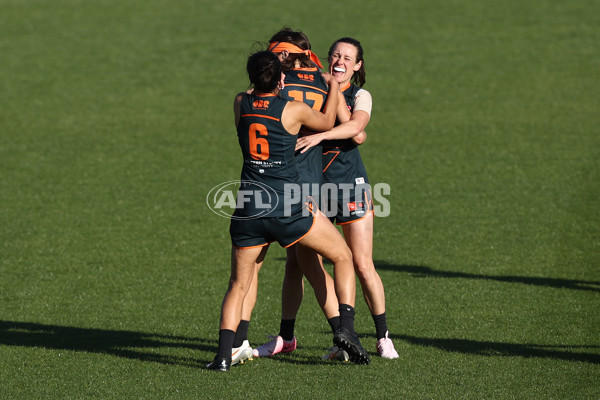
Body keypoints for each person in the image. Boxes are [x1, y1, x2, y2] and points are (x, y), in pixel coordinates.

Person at [207, 51, 370, 372]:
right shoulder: (292, 110)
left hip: (249, 207)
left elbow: (252, 95)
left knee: (238, 284)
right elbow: (325, 122)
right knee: (342, 256)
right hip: (288, 207)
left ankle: (223, 356)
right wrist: (333, 86)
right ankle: (345, 328)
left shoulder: (240, 102)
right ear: (281, 79)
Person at [236, 28, 344, 361]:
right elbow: (342, 124)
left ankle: (244, 340)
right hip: (302, 186)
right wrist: (337, 88)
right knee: (304, 266)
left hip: (269, 191)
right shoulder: (316, 85)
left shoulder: (258, 93)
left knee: (260, 269)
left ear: (286, 56)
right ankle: (329, 336)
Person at [295, 37, 399, 359]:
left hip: (351, 187)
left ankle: (383, 337)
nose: (339, 60)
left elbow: (356, 127)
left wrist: (323, 134)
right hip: (317, 190)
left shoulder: (360, 94)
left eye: (347, 57)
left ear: (357, 66)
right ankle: (343, 334)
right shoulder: (315, 90)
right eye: (335, 55)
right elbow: (354, 133)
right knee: (308, 263)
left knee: (362, 264)